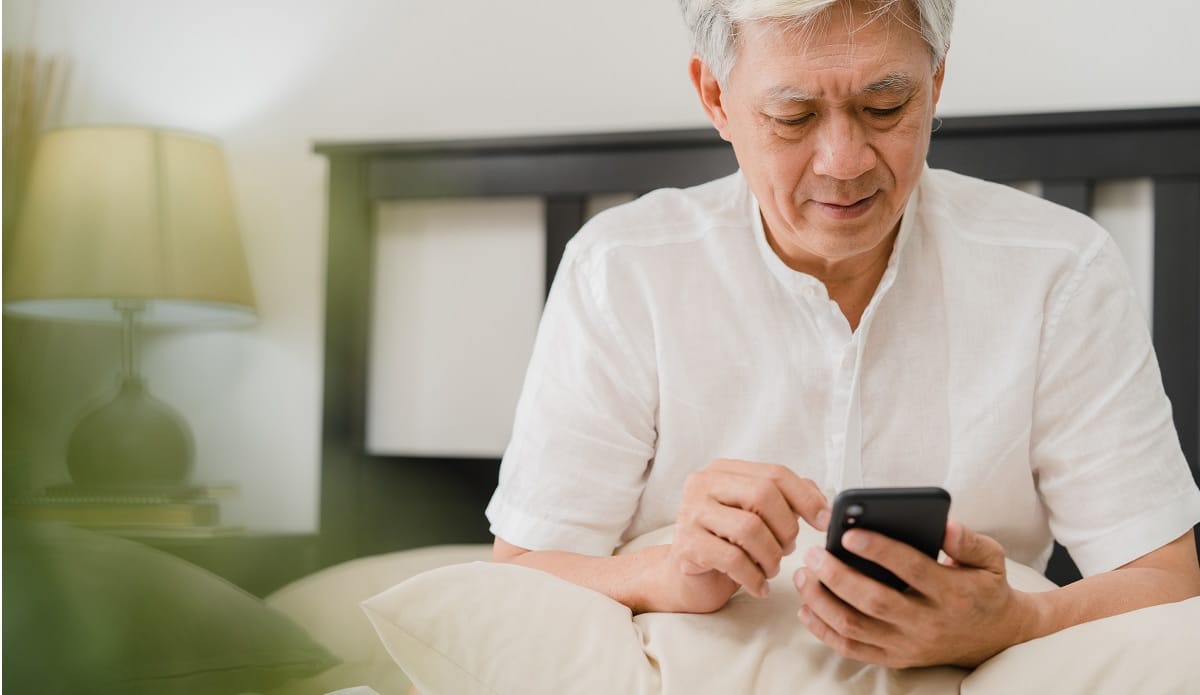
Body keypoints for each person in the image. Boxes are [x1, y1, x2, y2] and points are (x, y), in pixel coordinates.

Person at [484, 0, 1200, 669]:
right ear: (715, 97)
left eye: (885, 107)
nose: (844, 161)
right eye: (793, 117)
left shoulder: (1059, 272)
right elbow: (518, 576)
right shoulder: (622, 272)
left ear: (937, 81)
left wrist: (1016, 623)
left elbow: (1165, 579)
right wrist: (667, 568)